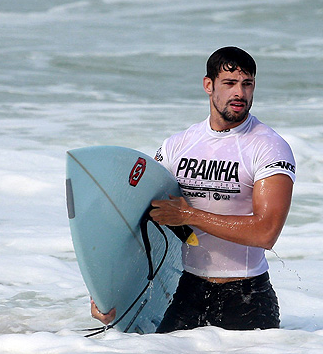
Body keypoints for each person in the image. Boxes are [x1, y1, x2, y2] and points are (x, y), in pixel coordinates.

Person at [91, 46, 295, 332]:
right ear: (208, 85)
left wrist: (190, 216)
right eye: (230, 83)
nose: (240, 93)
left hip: (247, 299)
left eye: (247, 84)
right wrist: (105, 291)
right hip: (189, 291)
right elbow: (135, 214)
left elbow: (266, 232)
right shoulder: (178, 145)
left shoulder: (268, 147)